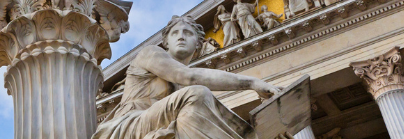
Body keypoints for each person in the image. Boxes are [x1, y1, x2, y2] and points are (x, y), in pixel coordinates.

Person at [93, 15, 282, 139]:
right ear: (165, 42)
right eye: (175, 33)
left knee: (194, 111)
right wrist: (252, 82)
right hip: (126, 128)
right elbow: (189, 76)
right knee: (197, 94)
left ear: (198, 44)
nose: (181, 37)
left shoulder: (181, 91)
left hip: (154, 121)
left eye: (187, 33)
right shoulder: (150, 54)